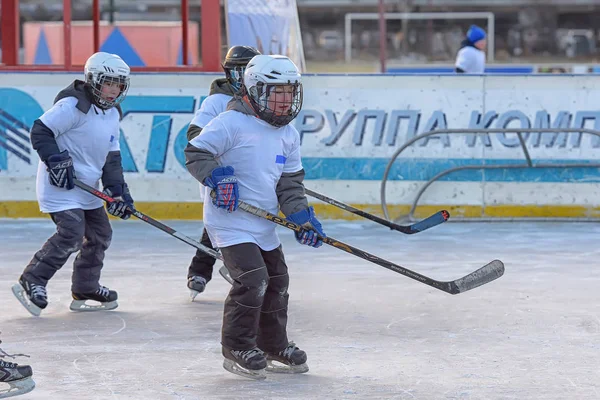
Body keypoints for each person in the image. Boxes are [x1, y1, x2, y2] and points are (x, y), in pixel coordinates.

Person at [185, 54, 325, 380]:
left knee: (277, 281)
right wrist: (217, 178)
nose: (285, 99)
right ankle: (237, 345)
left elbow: (289, 184)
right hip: (229, 220)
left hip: (263, 222)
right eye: (277, 92)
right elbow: (196, 152)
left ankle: (273, 345)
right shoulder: (230, 122)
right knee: (252, 279)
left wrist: (302, 217)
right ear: (256, 90)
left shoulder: (288, 134)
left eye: (290, 92)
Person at [11, 52, 134, 317]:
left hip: (88, 188)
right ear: (93, 80)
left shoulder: (112, 114)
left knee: (101, 234)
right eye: (108, 83)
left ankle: (86, 287)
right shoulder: (72, 105)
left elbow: (111, 159)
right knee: (71, 233)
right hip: (61, 186)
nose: (113, 90)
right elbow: (41, 130)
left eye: (119, 85)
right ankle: (33, 279)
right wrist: (55, 160)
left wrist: (119, 192)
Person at [185, 45, 261, 301]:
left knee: (234, 225)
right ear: (228, 74)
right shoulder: (217, 101)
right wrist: (218, 164)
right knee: (222, 224)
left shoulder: (261, 100)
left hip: (249, 178)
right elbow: (195, 135)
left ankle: (201, 270)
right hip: (220, 176)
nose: (242, 79)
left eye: (247, 72)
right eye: (236, 72)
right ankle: (230, 267)